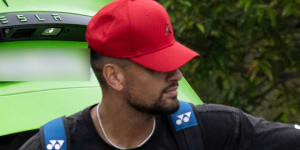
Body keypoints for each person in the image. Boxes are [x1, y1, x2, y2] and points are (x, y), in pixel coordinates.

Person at [20, 0, 300, 150]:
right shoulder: (56, 144)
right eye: (158, 66)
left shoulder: (212, 130)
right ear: (114, 77)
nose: (177, 74)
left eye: (174, 61)